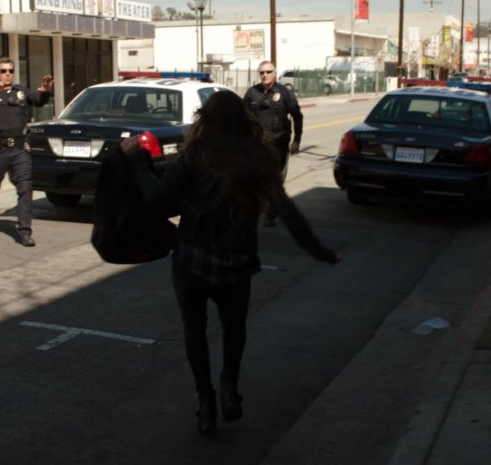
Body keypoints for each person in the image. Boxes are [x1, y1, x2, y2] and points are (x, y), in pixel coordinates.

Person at [120, 90, 340, 434]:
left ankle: (205, 401)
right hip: (237, 262)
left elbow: (158, 199)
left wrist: (136, 160)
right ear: (243, 118)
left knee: (195, 331)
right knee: (234, 328)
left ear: (205, 120)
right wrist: (319, 251)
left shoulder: (196, 154)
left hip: (192, 259)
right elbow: (288, 212)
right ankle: (229, 386)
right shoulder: (260, 157)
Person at [0, 58, 53, 247]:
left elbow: (37, 100)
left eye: (10, 70)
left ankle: (25, 231)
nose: (7, 74)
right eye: (3, 71)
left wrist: (46, 90)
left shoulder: (21, 92)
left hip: (19, 149)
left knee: (25, 188)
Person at [243, 61, 304, 227]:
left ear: (274, 73)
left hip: (278, 142)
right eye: (262, 72)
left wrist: (297, 140)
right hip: (257, 144)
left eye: (268, 72)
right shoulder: (252, 93)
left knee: (273, 178)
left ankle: (271, 211)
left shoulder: (284, 92)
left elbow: (297, 115)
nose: (265, 75)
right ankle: (255, 208)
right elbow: (242, 118)